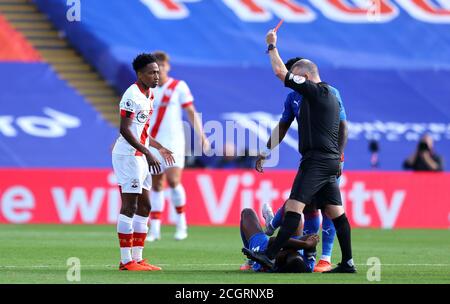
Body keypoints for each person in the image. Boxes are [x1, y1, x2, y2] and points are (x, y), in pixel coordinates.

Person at [242, 29, 356, 273]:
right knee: (336, 212)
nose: (292, 82)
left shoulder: (315, 92)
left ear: (305, 76)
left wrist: (272, 46)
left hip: (315, 161)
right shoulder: (329, 96)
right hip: (329, 161)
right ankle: (347, 262)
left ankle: (269, 255)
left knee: (294, 207)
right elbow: (284, 125)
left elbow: (279, 72)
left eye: (296, 78)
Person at [112, 53, 175, 271]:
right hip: (128, 156)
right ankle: (125, 260)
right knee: (130, 205)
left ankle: (138, 258)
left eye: (157, 72)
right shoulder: (132, 95)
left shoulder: (149, 94)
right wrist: (147, 152)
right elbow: (125, 129)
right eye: (151, 72)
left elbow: (142, 132)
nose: (156, 76)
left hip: (140, 154)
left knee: (146, 205)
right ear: (140, 74)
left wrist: (157, 147)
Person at [146, 51, 209, 242]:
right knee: (156, 184)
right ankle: (155, 228)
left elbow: (190, 111)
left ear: (168, 66)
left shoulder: (178, 86)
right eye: (156, 66)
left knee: (173, 181)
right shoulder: (147, 89)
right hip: (153, 141)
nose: (160, 69)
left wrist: (202, 136)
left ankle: (181, 223)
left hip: (173, 141)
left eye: (163, 65)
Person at [240, 208, 319, 273]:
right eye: (298, 256)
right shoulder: (308, 265)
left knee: (247, 212)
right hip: (291, 243)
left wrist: (305, 245)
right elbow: (314, 237)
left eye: (290, 255)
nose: (296, 254)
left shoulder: (271, 265)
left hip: (262, 248)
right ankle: (273, 222)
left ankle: (250, 261)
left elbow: (273, 241)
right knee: (294, 212)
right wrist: (304, 244)